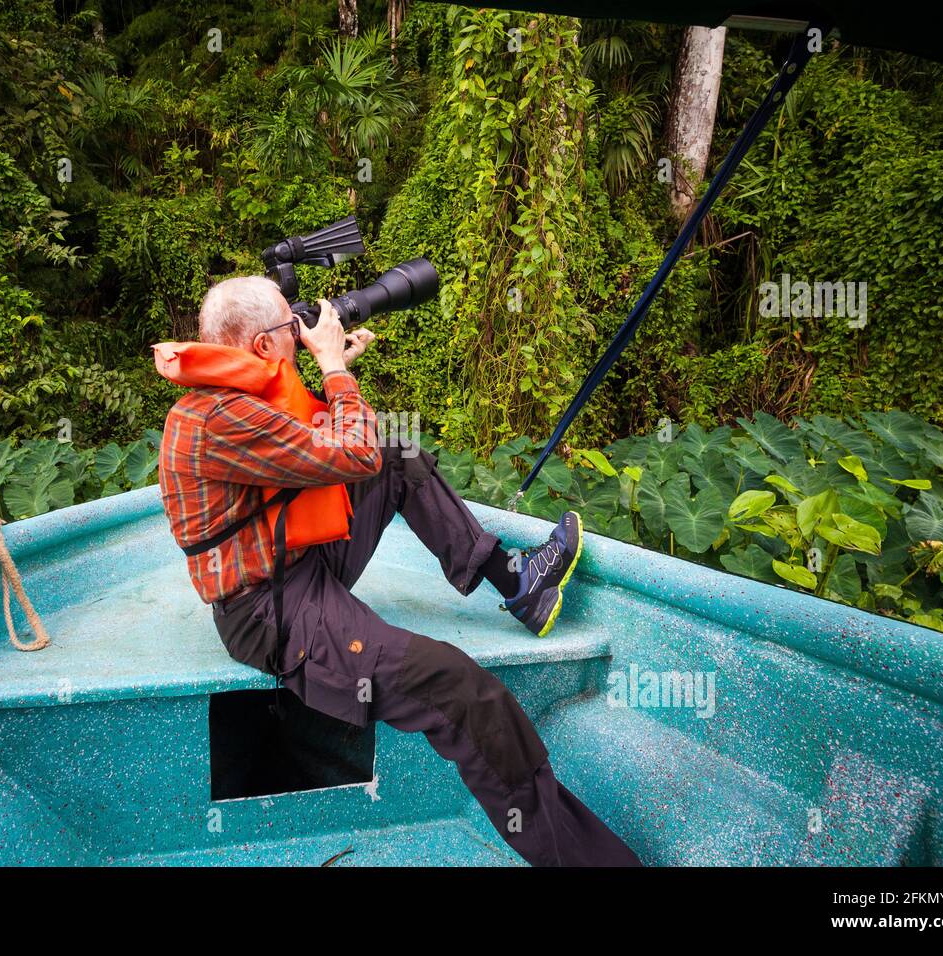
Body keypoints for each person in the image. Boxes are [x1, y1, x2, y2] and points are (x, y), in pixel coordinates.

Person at [156, 275, 640, 866]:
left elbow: (330, 440)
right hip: (272, 612)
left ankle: (516, 583)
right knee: (464, 689)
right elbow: (345, 452)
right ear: (261, 346)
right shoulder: (217, 421)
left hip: (299, 566)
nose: (303, 336)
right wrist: (334, 369)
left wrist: (336, 372)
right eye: (292, 329)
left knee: (396, 456)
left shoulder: (232, 399)